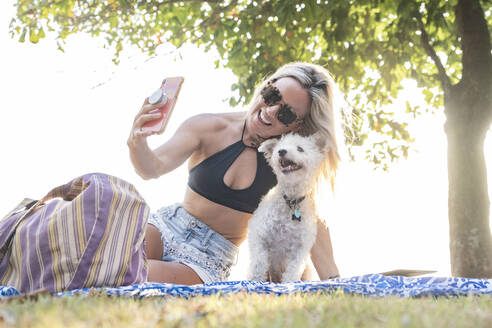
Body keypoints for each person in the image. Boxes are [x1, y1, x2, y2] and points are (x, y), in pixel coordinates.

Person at [127, 62, 341, 285]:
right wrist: (137, 141)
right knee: (110, 265)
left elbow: (307, 217)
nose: (270, 111)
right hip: (165, 227)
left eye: (286, 114)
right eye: (272, 95)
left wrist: (334, 282)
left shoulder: (287, 159)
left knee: (131, 277)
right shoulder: (208, 126)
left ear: (296, 126)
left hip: (207, 258)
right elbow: (151, 168)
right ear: (265, 86)